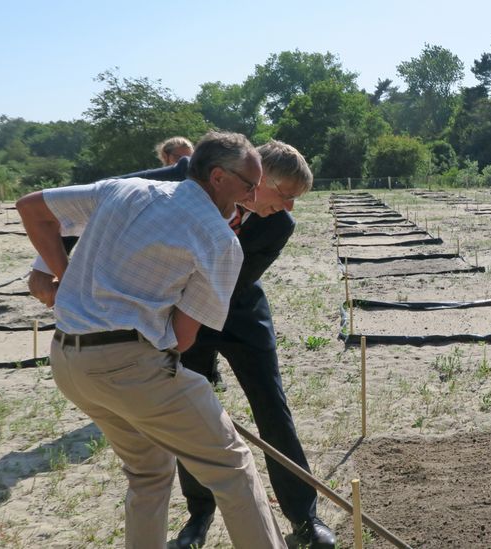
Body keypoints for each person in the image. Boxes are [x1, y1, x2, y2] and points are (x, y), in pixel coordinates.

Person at [28, 140, 338, 549]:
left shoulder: (276, 224)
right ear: (238, 178)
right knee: (204, 441)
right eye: (283, 195)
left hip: (231, 316)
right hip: (163, 324)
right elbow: (71, 219)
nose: (289, 207)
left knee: (269, 408)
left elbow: (230, 285)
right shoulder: (153, 185)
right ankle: (198, 516)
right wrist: (51, 272)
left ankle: (302, 515)